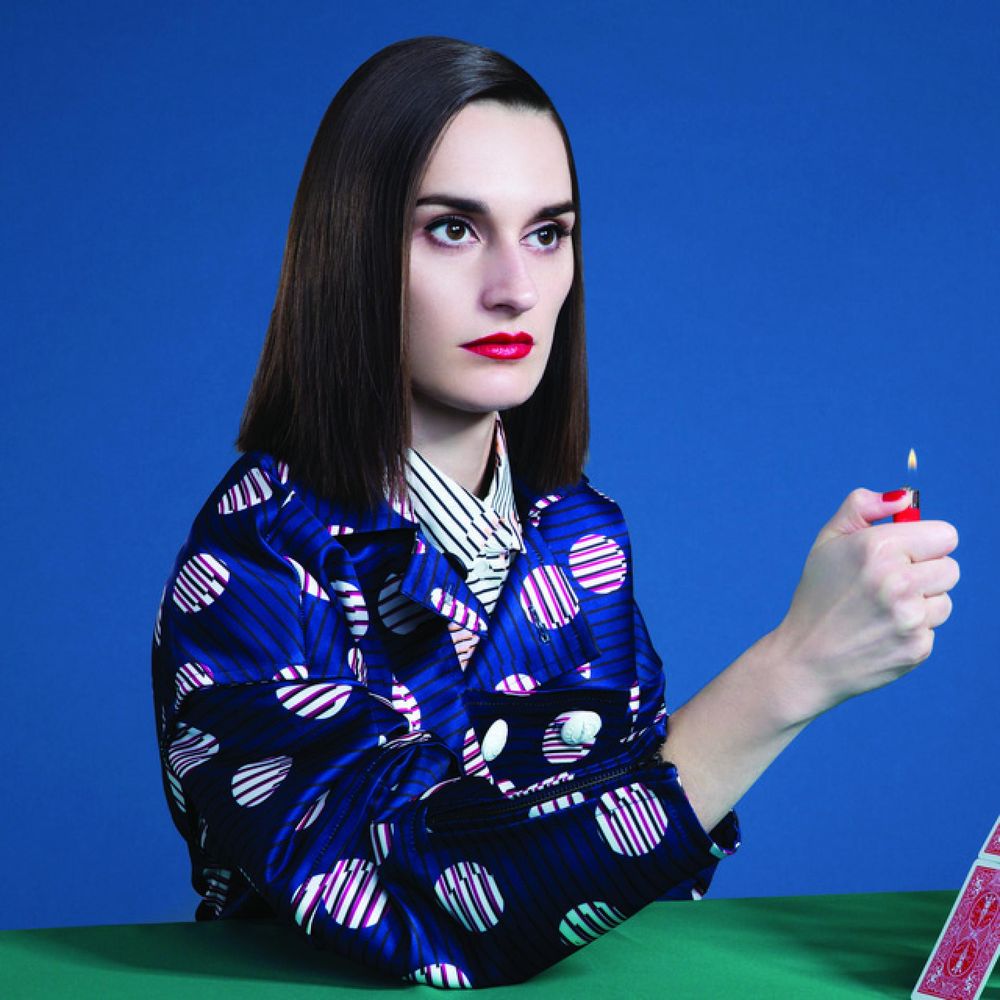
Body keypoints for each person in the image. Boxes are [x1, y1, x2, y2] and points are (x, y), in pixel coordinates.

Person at [152, 36, 960, 989]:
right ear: (349, 249)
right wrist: (790, 672)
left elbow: (643, 883)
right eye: (452, 229)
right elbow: (422, 904)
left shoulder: (582, 535)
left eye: (548, 233)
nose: (517, 289)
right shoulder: (255, 556)